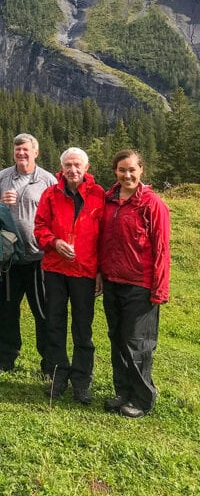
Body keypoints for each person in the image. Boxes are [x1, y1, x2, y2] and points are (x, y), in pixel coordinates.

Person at [98, 150, 171, 418]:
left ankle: (142, 399)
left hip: (140, 285)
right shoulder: (108, 201)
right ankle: (123, 392)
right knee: (117, 339)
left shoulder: (153, 204)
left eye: (132, 170)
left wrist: (159, 289)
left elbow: (162, 250)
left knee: (137, 343)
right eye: (121, 170)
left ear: (141, 170)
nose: (127, 175)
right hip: (112, 282)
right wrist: (99, 273)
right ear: (115, 172)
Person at [34, 147, 105, 404]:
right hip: (55, 270)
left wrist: (100, 271)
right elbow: (39, 227)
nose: (73, 170)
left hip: (85, 272)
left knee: (82, 329)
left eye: (77, 165)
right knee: (54, 325)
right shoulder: (50, 194)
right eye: (68, 165)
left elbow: (105, 236)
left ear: (86, 168)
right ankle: (57, 376)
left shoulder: (99, 195)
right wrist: (53, 241)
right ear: (61, 168)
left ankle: (81, 381)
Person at [0, 134, 56, 376]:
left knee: (44, 311)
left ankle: (49, 363)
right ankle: (5, 357)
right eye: (17, 150)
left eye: (26, 150)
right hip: (8, 259)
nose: (21, 154)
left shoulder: (48, 180)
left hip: (39, 258)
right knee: (5, 310)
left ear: (35, 152)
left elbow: (57, 216)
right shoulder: (2, 178)